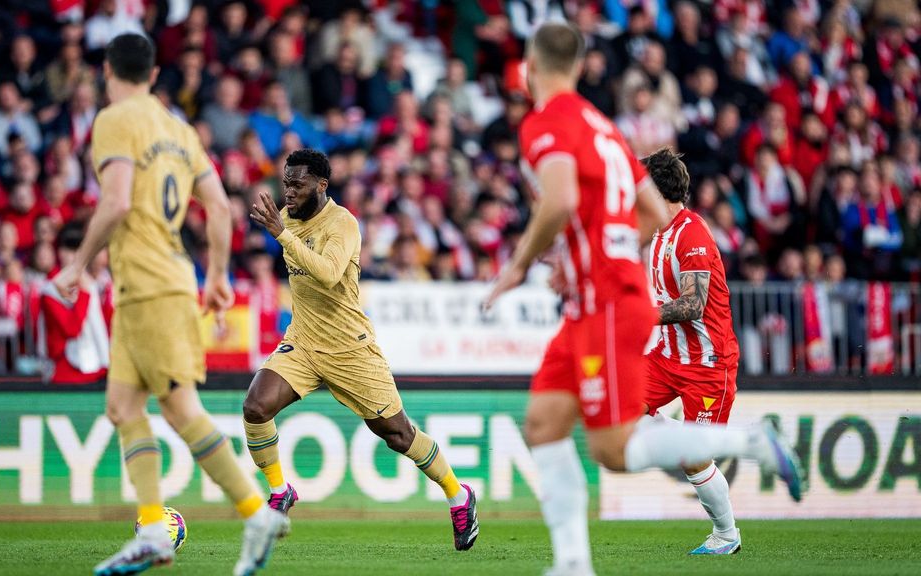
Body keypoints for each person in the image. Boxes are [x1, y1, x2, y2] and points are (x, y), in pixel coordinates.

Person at [482, 23, 803, 575]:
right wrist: (587, 255)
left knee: (613, 448)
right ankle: (573, 564)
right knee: (543, 424)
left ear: (532, 68)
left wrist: (519, 266)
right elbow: (651, 214)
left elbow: (557, 199)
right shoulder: (602, 126)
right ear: (581, 68)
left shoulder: (545, 122)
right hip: (602, 301)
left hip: (611, 305)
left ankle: (749, 441)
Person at [51, 33, 286, 576]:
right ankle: (154, 529)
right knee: (123, 408)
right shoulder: (178, 128)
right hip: (161, 283)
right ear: (155, 74)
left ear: (108, 70)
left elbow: (114, 202)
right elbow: (221, 207)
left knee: (179, 409)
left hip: (150, 284)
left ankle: (256, 513)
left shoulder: (114, 119)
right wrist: (219, 275)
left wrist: (78, 263)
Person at [247, 149, 479, 551]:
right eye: (285, 183)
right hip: (302, 342)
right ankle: (280, 491)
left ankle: (458, 495)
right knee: (256, 407)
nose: (288, 192)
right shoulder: (284, 219)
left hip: (350, 348)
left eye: (297, 184)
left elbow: (328, 274)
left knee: (397, 434)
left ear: (320, 185)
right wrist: (278, 230)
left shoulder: (343, 224)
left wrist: (281, 236)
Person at [641, 148, 743, 554]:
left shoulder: (692, 234)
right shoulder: (658, 232)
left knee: (693, 459)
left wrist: (640, 317)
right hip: (667, 359)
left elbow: (694, 304)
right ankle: (674, 435)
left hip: (708, 364)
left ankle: (726, 535)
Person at [39, 222, 109, 385]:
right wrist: (85, 293)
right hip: (64, 370)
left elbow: (99, 327)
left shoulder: (91, 284)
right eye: (69, 250)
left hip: (95, 367)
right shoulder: (49, 290)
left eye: (79, 251)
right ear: (60, 253)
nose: (75, 256)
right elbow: (72, 328)